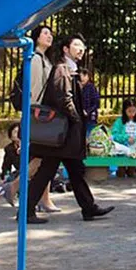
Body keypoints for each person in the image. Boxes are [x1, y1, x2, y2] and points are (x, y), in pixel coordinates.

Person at [26, 34, 114, 225]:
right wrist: (77, 118)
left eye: (82, 45)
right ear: (66, 49)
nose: (81, 49)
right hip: (62, 133)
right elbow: (64, 99)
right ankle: (26, 211)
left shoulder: (70, 70)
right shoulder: (62, 69)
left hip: (66, 134)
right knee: (48, 172)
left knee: (75, 171)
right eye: (76, 45)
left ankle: (88, 207)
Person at [28, 24, 61, 214]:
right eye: (45, 33)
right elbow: (34, 90)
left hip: (44, 114)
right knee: (43, 157)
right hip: (39, 115)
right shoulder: (35, 59)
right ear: (37, 37)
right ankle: (15, 187)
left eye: (50, 33)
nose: (49, 36)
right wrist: (36, 114)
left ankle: (44, 198)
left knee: (45, 158)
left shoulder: (45, 59)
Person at [111, 97, 136, 174]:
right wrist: (126, 138)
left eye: (134, 111)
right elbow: (114, 135)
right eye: (129, 111)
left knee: (132, 172)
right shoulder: (119, 122)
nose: (132, 113)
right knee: (121, 171)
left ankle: (132, 169)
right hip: (122, 151)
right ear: (124, 111)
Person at [79, 68, 101, 134]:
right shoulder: (79, 87)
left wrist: (87, 111)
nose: (82, 78)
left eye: (84, 76)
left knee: (90, 132)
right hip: (81, 116)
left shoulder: (91, 87)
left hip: (90, 115)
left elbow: (96, 102)